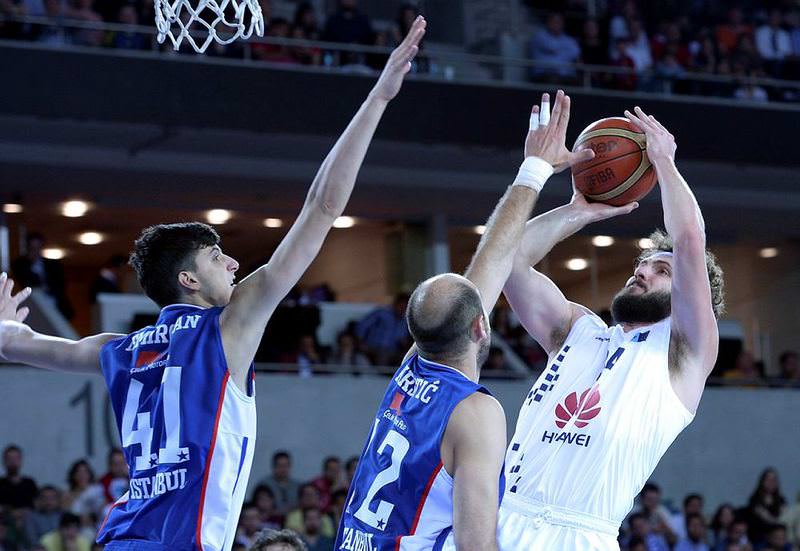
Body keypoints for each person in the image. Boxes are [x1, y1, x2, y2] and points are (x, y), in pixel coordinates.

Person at [0, 17, 427, 551]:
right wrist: (378, 98)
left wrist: (4, 327)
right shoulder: (228, 328)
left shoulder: (121, 350)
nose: (232, 263)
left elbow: (25, 346)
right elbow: (322, 208)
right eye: (215, 256)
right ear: (188, 279)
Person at [336, 90, 594, 550]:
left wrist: (539, 174)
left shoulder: (410, 371)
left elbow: (490, 262)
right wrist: (533, 169)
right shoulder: (475, 412)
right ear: (480, 326)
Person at [497, 105, 725, 551]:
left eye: (661, 270)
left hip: (580, 535)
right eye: (642, 263)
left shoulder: (684, 355)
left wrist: (664, 162)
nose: (641, 271)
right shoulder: (578, 329)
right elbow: (508, 260)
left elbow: (689, 241)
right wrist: (575, 212)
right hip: (502, 518)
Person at [11, 232, 73, 319]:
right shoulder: (20, 265)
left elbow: (61, 285)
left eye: (38, 248)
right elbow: (24, 282)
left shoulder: (53, 265)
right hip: (34, 304)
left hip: (55, 304)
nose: (35, 252)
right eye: (32, 248)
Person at [746, 468, 787, 544]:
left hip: (778, 538)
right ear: (762, 481)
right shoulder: (755, 500)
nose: (771, 483)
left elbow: (784, 517)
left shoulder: (781, 500)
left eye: (774, 480)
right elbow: (765, 517)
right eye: (768, 480)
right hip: (759, 538)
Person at [259, 451, 301, 517]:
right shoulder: (264, 485)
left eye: (285, 466)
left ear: (290, 467)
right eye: (280, 466)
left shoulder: (298, 486)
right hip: (270, 519)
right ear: (274, 467)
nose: (283, 469)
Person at [0, 445, 38, 510]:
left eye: (16, 458)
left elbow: (37, 505)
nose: (12, 462)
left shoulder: (30, 484)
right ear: (4, 461)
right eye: (9, 458)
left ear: (21, 461)